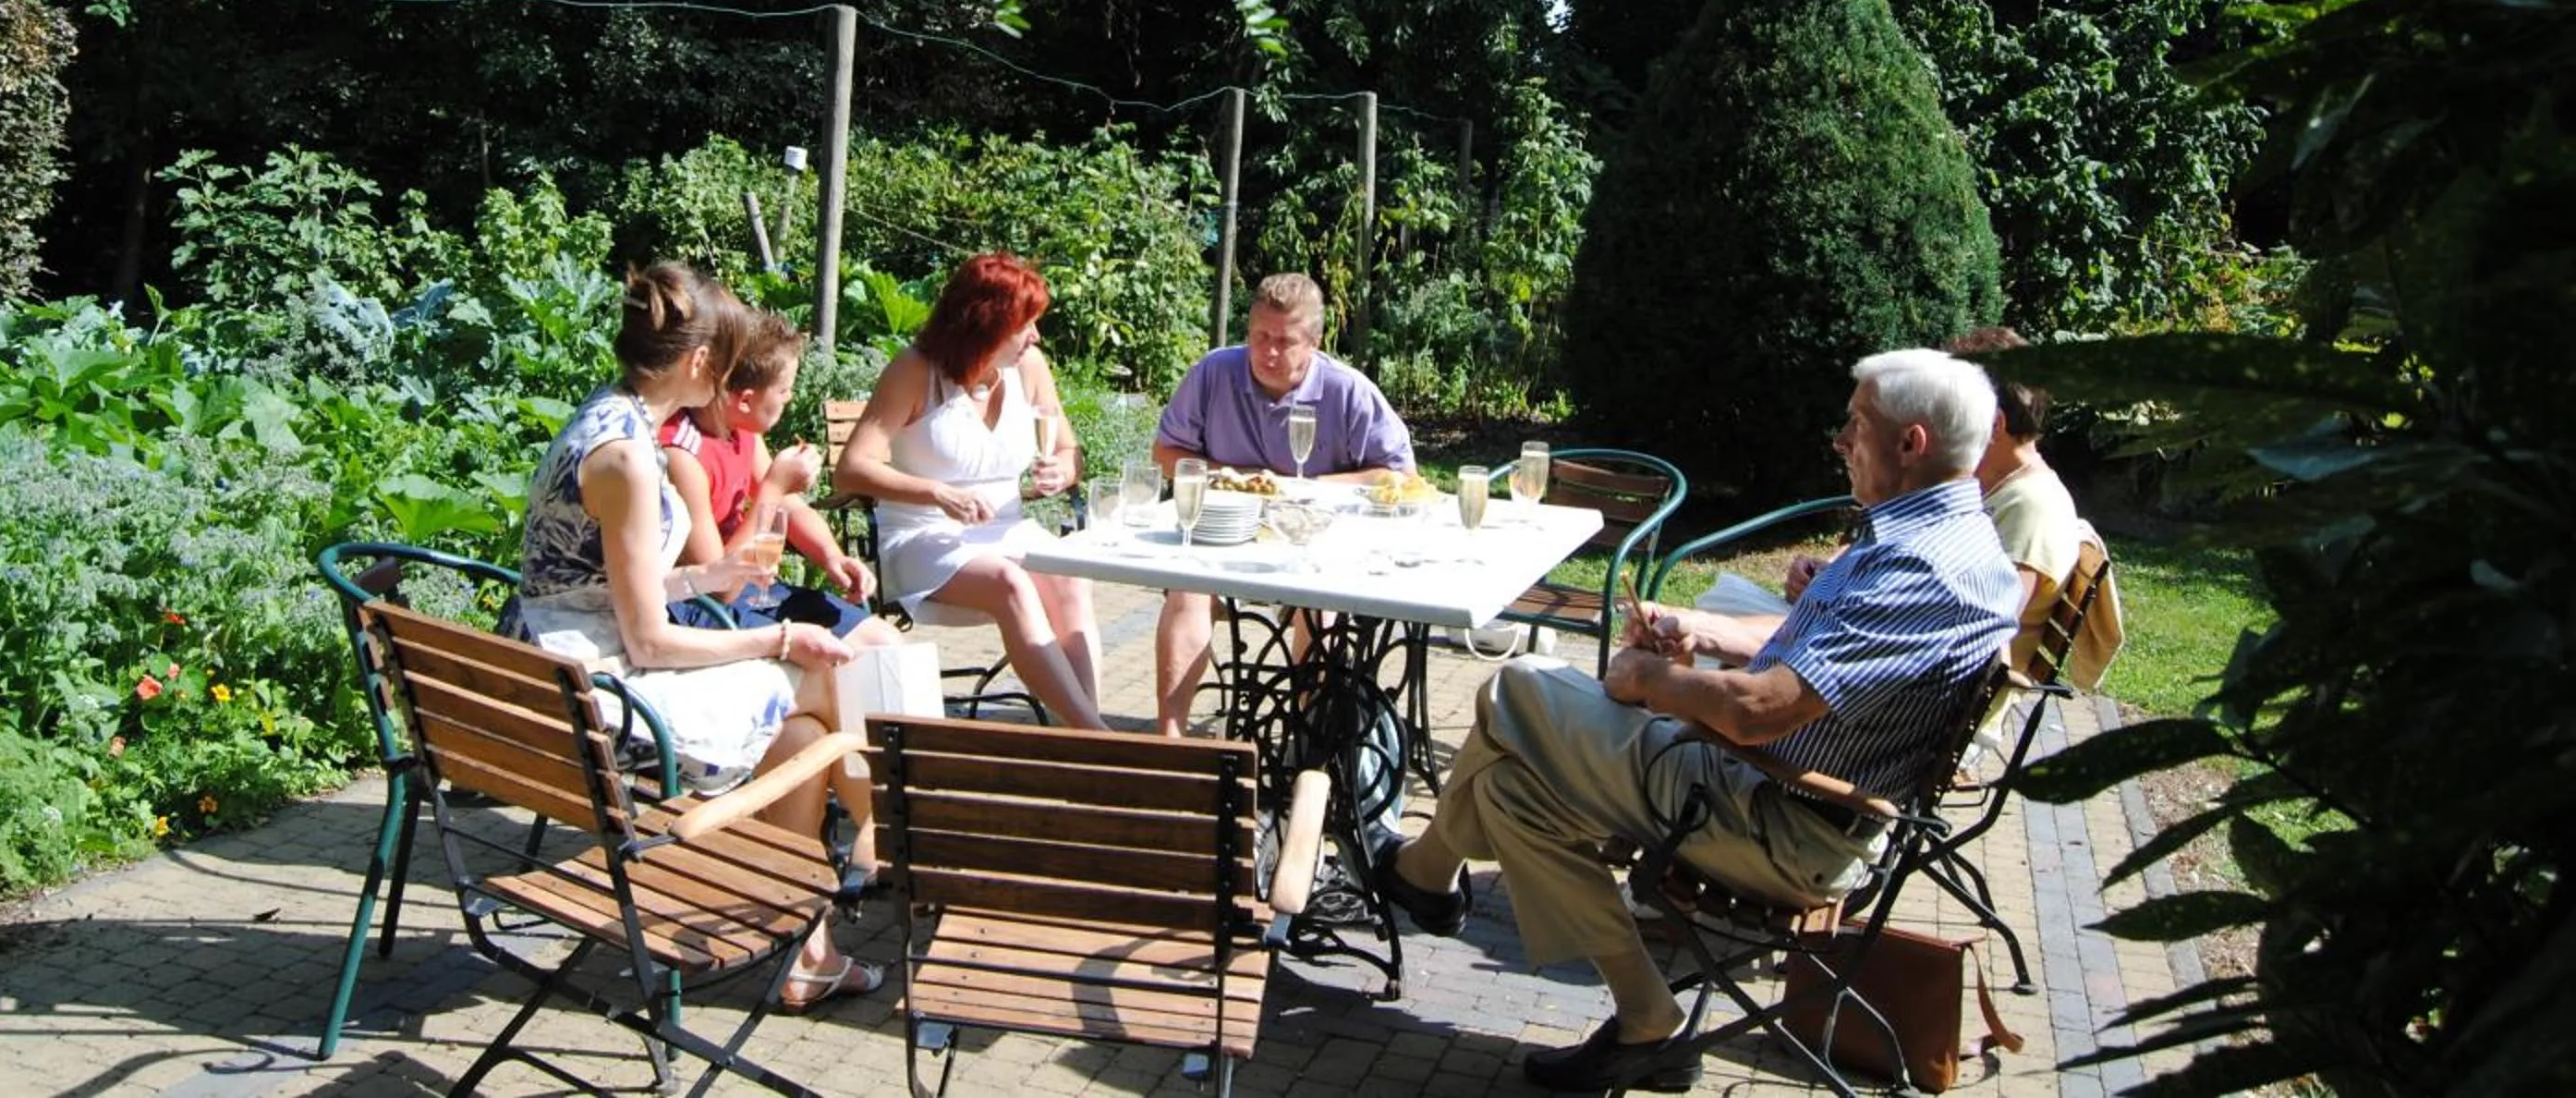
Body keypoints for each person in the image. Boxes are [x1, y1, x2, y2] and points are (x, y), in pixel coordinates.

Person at [1367, 348, 2019, 1092]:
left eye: (1857, 422)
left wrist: (1654, 680)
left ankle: (1427, 870)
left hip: (1775, 818)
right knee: (1510, 793)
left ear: (1912, 444)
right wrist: (1700, 644)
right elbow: (1801, 672)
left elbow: (1758, 712)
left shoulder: (1919, 569)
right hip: (1777, 791)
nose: (1839, 438)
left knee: (1513, 690)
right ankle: (1647, 1020)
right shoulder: (1951, 540)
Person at [513, 262, 885, 1014]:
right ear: (697, 365)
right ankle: (897, 841)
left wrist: (706, 578)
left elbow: (613, 584)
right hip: (591, 704)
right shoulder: (626, 454)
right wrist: (778, 639)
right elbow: (648, 642)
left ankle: (813, 946)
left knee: (804, 731)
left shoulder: (615, 419)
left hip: (569, 671)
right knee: (828, 678)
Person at [834, 251, 1106, 729]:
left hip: (1007, 529)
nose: (1036, 336)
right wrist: (936, 493)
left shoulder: (1030, 368)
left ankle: (1084, 729)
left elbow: (1070, 453)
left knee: (1070, 574)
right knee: (1011, 583)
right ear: (988, 322)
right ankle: (1098, 737)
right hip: (923, 537)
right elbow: (851, 469)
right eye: (1026, 324)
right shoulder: (916, 371)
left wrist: (1061, 473)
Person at [1148, 273, 1417, 737]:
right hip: (1223, 536)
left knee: (1322, 610)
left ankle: (1303, 738)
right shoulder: (1214, 373)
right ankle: (1170, 740)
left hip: (1314, 542)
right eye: (1260, 337)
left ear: (1314, 341)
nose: (1269, 352)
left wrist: (1306, 487)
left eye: (1285, 341)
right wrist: (1233, 478)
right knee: (1186, 589)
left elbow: (1399, 475)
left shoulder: (1347, 390)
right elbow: (1166, 455)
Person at [1785, 326, 2079, 672]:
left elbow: (1983, 630)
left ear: (1993, 424)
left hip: (1917, 687)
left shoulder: (2033, 506)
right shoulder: (1986, 484)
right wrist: (1831, 573)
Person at [658, 309, 899, 654]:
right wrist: (773, 487)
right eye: (784, 390)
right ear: (745, 400)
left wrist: (831, 557)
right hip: (701, 611)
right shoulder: (683, 455)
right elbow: (718, 587)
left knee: (885, 644)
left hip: (755, 591)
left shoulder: (740, 430)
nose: (790, 398)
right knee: (840, 661)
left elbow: (787, 505)